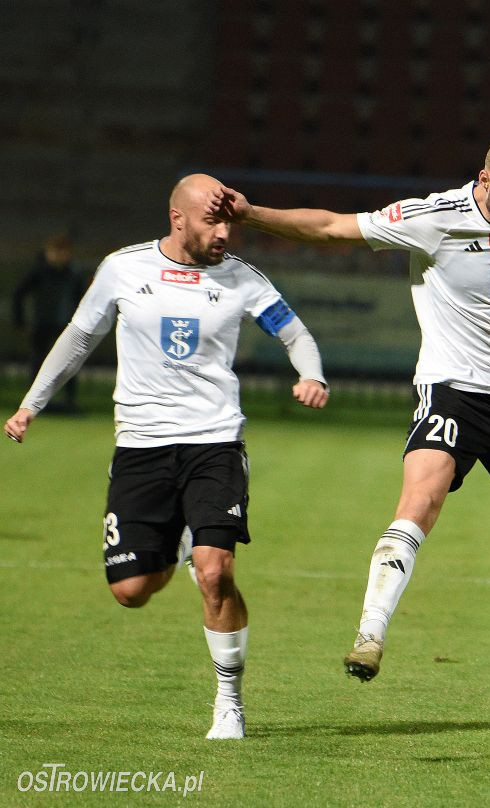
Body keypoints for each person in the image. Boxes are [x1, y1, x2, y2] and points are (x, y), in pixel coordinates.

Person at [205, 132, 490, 724]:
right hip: (452, 389)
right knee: (420, 500)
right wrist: (252, 213)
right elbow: (335, 226)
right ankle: (370, 635)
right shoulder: (431, 217)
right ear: (485, 178)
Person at [4, 174, 330, 740]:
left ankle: (229, 702)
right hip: (141, 445)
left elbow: (294, 332)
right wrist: (31, 404)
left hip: (215, 441)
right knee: (132, 591)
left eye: (229, 220)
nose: (225, 232)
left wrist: (312, 373)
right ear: (178, 218)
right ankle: (174, 542)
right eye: (213, 220)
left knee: (215, 572)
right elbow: (79, 337)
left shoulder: (243, 279)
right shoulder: (123, 269)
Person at [13, 233, 87, 411]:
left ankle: (69, 402)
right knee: (39, 363)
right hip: (42, 324)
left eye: (63, 252)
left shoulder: (74, 274)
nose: (59, 256)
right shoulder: (39, 272)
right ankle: (34, 404)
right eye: (56, 252)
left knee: (69, 364)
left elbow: (83, 300)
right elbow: (19, 294)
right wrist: (20, 321)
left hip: (66, 326)